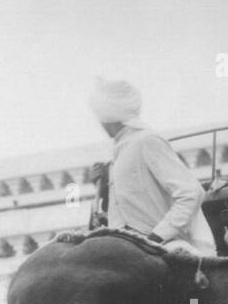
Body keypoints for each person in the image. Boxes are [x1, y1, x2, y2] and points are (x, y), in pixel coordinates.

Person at [89, 77, 217, 254]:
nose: (99, 123)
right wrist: (103, 186)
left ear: (108, 115)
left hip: (163, 247)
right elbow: (123, 211)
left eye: (99, 115)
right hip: (125, 248)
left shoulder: (147, 140)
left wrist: (156, 238)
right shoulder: (117, 154)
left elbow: (191, 193)